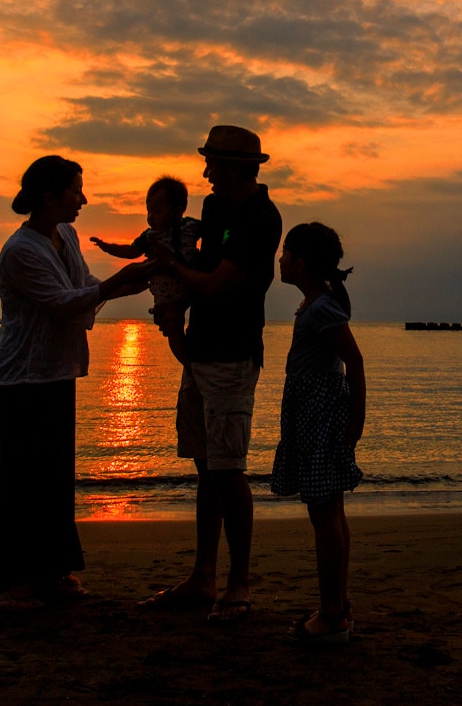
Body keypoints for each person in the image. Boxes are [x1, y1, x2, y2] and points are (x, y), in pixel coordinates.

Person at [0, 155, 153, 611]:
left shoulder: (67, 236)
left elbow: (84, 284)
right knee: (17, 481)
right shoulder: (20, 250)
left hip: (57, 372)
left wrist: (129, 282)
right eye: (76, 190)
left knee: (53, 478)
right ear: (49, 196)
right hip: (21, 378)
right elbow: (60, 302)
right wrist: (118, 284)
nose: (83, 199)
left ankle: (49, 572)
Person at [140, 125, 283, 623]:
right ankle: (203, 576)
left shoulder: (262, 218)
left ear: (237, 169)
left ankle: (238, 582)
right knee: (206, 466)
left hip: (232, 354)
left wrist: (170, 271)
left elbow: (220, 284)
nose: (205, 173)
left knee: (227, 468)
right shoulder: (215, 207)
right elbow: (199, 264)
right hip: (201, 348)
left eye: (213, 165)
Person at [269, 222, 366, 645]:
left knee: (324, 514)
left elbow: (355, 362)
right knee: (328, 512)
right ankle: (336, 608)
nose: (281, 258)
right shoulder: (314, 304)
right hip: (313, 415)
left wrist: (356, 421)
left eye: (286, 252)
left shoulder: (322, 308)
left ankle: (332, 615)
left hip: (320, 417)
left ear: (302, 263)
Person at [89, 176, 200, 344]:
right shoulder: (150, 236)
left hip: (192, 285)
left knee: (181, 323)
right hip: (167, 295)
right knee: (172, 327)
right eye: (148, 211)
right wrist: (108, 247)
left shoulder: (191, 226)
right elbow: (131, 252)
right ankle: (189, 365)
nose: (150, 217)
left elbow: (215, 233)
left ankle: (193, 362)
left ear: (179, 209)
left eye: (157, 211)